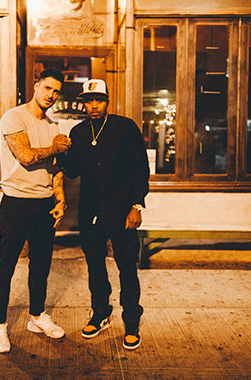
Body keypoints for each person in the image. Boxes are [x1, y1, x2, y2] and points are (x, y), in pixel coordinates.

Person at [61, 79, 149, 351]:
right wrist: (61, 150)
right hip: (90, 212)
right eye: (89, 101)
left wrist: (137, 205)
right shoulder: (78, 132)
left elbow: (140, 168)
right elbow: (72, 171)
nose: (93, 106)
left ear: (107, 101)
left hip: (122, 210)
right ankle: (101, 313)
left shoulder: (125, 127)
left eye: (98, 100)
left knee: (127, 267)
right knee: (95, 266)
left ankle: (131, 322)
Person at [0, 68, 71, 353]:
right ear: (36, 86)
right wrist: (54, 148)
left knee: (41, 265)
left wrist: (60, 200)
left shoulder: (52, 126)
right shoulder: (14, 117)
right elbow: (25, 156)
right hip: (16, 202)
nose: (51, 95)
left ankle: (37, 316)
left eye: (56, 91)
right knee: (6, 266)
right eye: (47, 88)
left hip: (44, 203)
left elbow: (56, 168)